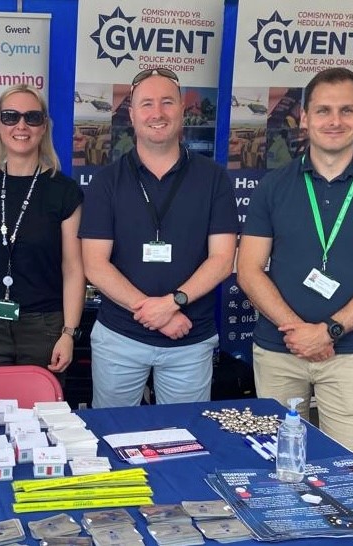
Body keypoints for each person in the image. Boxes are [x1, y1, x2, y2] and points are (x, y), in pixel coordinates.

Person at [236, 68, 353, 459]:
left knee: (349, 467)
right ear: (305, 117)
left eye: (346, 110)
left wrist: (329, 331)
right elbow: (248, 270)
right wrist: (298, 331)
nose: (335, 121)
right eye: (323, 110)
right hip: (279, 349)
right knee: (276, 461)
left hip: (350, 353)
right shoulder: (273, 186)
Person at [79, 68, 239, 408]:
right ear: (132, 115)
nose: (157, 113)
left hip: (189, 338)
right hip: (120, 338)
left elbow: (223, 259)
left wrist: (171, 304)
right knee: (113, 432)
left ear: (182, 109)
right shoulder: (106, 181)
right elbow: (94, 264)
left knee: (184, 433)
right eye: (147, 104)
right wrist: (154, 313)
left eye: (167, 102)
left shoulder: (214, 179)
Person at [0, 85, 84, 374]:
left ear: (44, 127)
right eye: (10, 116)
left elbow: (73, 268)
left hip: (44, 327)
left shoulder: (64, 191)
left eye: (32, 117)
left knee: (40, 404)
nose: (21, 125)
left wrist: (69, 333)